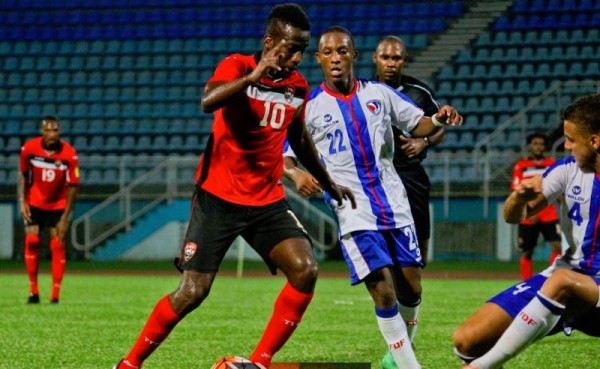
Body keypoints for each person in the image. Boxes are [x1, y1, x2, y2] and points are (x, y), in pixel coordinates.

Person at [113, 4, 354, 369]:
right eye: (290, 47)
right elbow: (208, 100)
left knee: (306, 269)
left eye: (302, 49)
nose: (297, 57)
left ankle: (259, 362)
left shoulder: (297, 86)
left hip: (267, 201)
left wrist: (329, 183)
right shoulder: (237, 65)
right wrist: (252, 77)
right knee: (192, 292)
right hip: (218, 199)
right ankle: (129, 363)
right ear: (269, 41)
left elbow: (299, 138)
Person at [286, 26, 462, 369]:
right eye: (328, 52)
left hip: (395, 203)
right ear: (319, 59)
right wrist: (295, 174)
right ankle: (410, 365)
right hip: (353, 210)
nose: (336, 58)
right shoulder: (308, 107)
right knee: (382, 289)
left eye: (342, 51)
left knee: (411, 287)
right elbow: (284, 154)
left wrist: (438, 118)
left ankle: (397, 358)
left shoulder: (379, 94)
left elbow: (420, 124)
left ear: (353, 55)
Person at [454, 93, 600, 369]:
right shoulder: (566, 171)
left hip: (589, 288)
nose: (566, 147)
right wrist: (519, 197)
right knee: (466, 340)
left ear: (594, 141)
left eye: (571, 139)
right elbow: (514, 216)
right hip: (568, 275)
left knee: (561, 282)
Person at [372, 35, 446, 369]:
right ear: (375, 59)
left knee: (417, 265)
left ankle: (402, 350)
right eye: (385, 58)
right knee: (383, 269)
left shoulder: (418, 92)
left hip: (412, 181)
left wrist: (424, 142)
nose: (391, 63)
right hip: (375, 185)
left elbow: (437, 124)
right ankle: (401, 351)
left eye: (397, 58)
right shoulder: (362, 93)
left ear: (405, 61)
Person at [18, 116, 79, 304]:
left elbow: (73, 187)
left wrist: (65, 217)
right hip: (35, 202)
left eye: (56, 130)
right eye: (48, 130)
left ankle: (55, 295)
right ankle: (33, 290)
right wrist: (23, 200)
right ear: (42, 131)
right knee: (32, 241)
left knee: (57, 245)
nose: (52, 134)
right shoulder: (29, 149)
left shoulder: (69, 154)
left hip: (58, 205)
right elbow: (23, 175)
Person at [511, 132, 562, 280]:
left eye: (541, 144)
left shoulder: (551, 164)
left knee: (557, 247)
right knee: (527, 251)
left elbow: (558, 188)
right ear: (530, 146)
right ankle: (526, 282)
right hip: (529, 214)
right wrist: (527, 210)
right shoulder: (521, 165)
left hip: (549, 213)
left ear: (545, 147)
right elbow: (516, 190)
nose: (538, 147)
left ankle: (551, 280)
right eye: (535, 144)